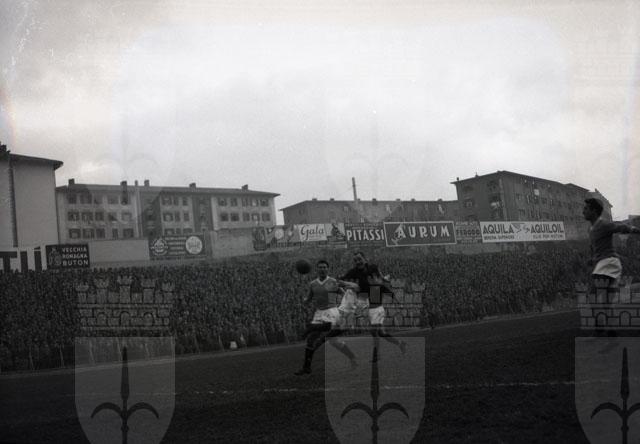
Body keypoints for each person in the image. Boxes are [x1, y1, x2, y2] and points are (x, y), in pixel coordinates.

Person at [295, 260, 357, 376]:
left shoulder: (333, 282)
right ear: (317, 269)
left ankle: (310, 329)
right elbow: (309, 298)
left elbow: (344, 294)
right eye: (320, 267)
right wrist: (304, 301)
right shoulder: (313, 284)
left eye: (324, 267)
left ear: (328, 269)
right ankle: (306, 368)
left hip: (331, 311)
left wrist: (347, 307)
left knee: (323, 330)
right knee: (328, 341)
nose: (322, 269)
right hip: (319, 313)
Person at [339, 251, 406, 354]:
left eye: (359, 259)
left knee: (375, 332)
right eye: (355, 260)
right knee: (381, 333)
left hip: (376, 307)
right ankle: (399, 343)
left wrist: (384, 279)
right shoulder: (353, 272)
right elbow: (342, 279)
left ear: (365, 259)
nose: (358, 262)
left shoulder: (373, 269)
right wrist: (339, 280)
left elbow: (383, 281)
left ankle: (376, 354)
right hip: (367, 305)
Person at [583, 198, 640, 288]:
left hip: (609, 262)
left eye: (586, 209)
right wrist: (592, 259)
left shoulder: (603, 224)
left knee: (599, 289)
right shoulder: (590, 230)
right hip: (603, 264)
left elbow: (621, 227)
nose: (583, 212)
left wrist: (637, 230)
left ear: (594, 211)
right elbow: (593, 248)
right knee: (604, 293)